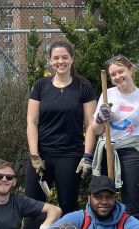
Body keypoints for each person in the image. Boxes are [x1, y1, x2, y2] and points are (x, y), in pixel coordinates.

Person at [81, 54, 139, 223]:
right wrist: (100, 118)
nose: (117, 77)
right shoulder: (107, 94)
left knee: (131, 204)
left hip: (131, 153)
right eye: (113, 75)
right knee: (102, 202)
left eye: (120, 71)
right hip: (106, 151)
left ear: (131, 69)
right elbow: (95, 129)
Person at [26, 41, 97, 214]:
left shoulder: (83, 86)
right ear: (50, 61)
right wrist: (34, 155)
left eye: (65, 57)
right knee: (32, 205)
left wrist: (87, 156)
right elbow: (31, 122)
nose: (60, 61)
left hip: (70, 155)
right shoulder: (40, 86)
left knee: (68, 204)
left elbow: (91, 125)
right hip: (42, 155)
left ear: (72, 59)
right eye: (56, 58)